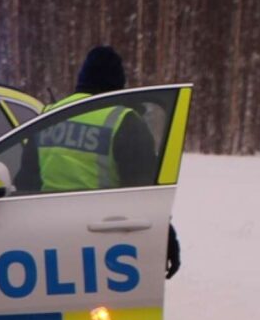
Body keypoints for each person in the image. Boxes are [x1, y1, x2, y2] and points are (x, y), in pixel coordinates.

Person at [37, 46, 180, 278]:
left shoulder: (49, 114)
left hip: (43, 236)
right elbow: (143, 194)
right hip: (102, 237)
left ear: (81, 79)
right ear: (118, 83)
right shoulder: (124, 121)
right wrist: (166, 234)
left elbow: (25, 178)